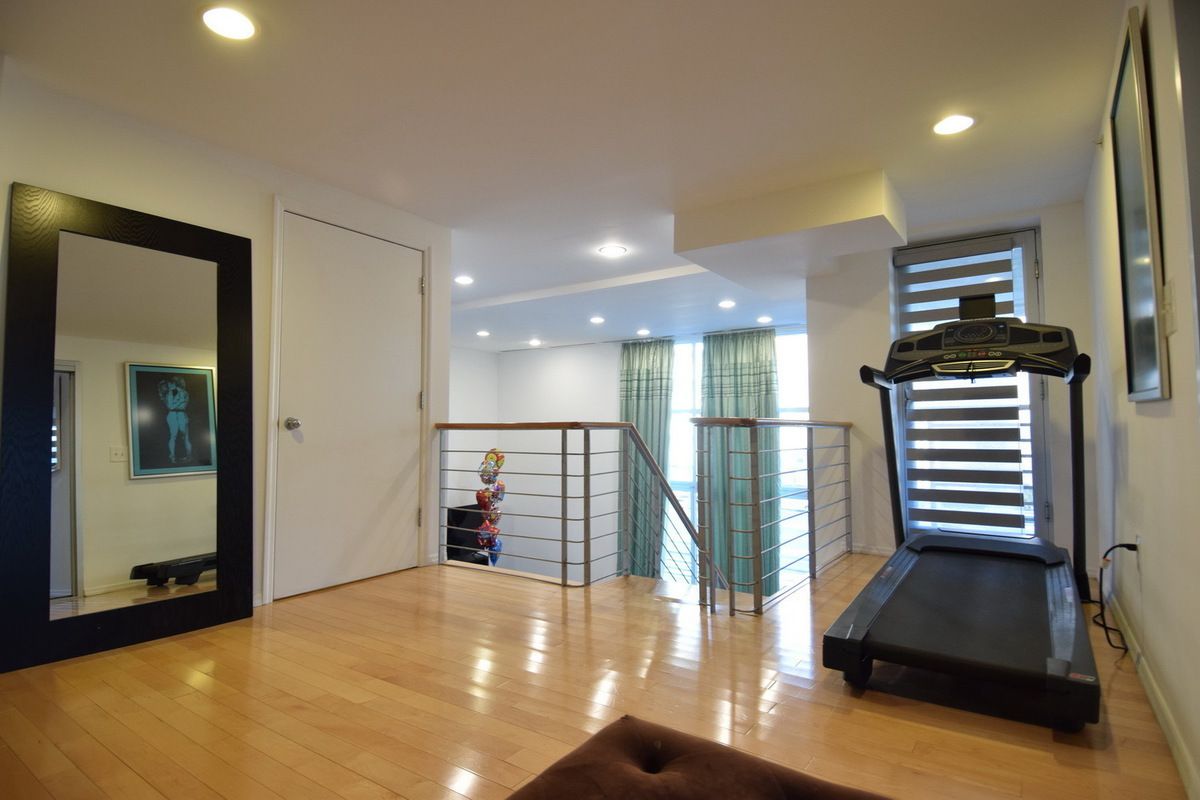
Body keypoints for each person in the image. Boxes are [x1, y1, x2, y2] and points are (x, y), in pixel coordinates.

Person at [158, 376, 192, 464]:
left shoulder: (183, 392)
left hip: (180, 414)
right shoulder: (170, 393)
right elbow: (170, 406)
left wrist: (177, 403)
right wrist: (178, 402)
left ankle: (188, 456)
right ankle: (173, 457)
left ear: (174, 383)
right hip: (173, 415)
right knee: (174, 436)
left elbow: (174, 405)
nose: (168, 385)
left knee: (184, 437)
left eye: (170, 383)